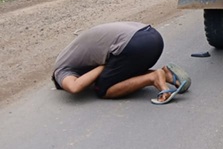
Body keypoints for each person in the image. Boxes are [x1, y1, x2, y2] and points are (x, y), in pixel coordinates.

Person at [51, 21, 191, 105]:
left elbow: (74, 87)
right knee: (117, 71)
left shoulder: (61, 69)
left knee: (103, 89)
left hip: (133, 45)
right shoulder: (74, 53)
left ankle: (154, 78)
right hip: (153, 37)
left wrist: (103, 67)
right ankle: (167, 75)